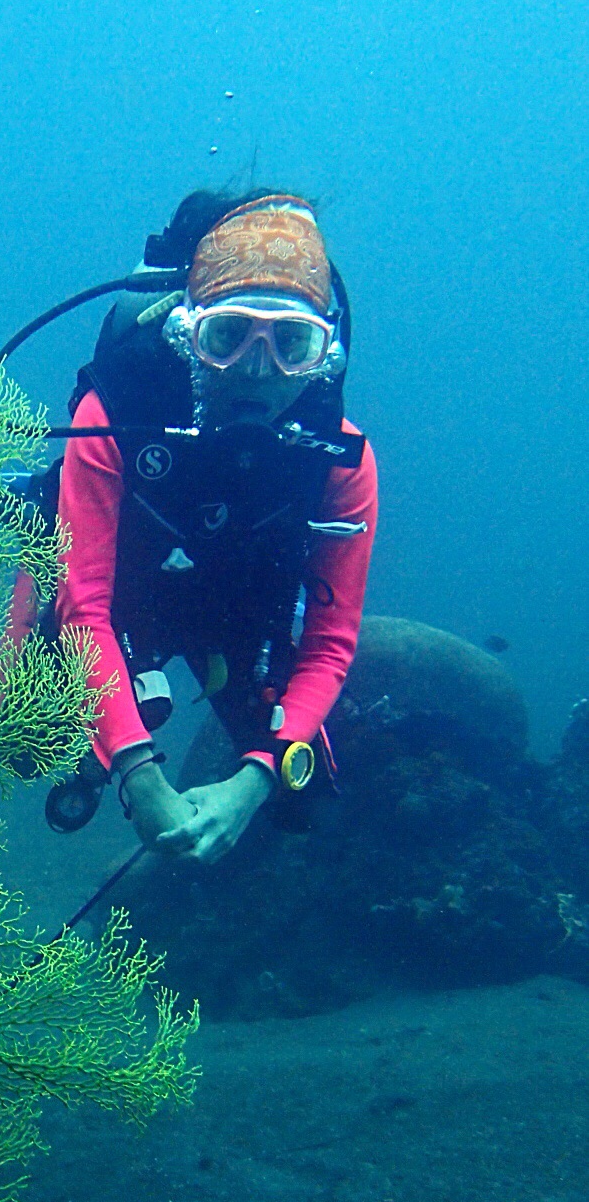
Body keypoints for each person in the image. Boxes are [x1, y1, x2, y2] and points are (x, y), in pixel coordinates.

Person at [46, 189, 378, 864]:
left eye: (290, 343)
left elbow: (328, 644)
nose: (258, 369)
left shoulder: (341, 460)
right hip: (115, 592)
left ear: (325, 357)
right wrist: (140, 776)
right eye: (229, 337)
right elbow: (84, 604)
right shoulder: (115, 411)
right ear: (185, 333)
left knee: (300, 800)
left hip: (235, 614)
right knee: (22, 741)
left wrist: (254, 780)